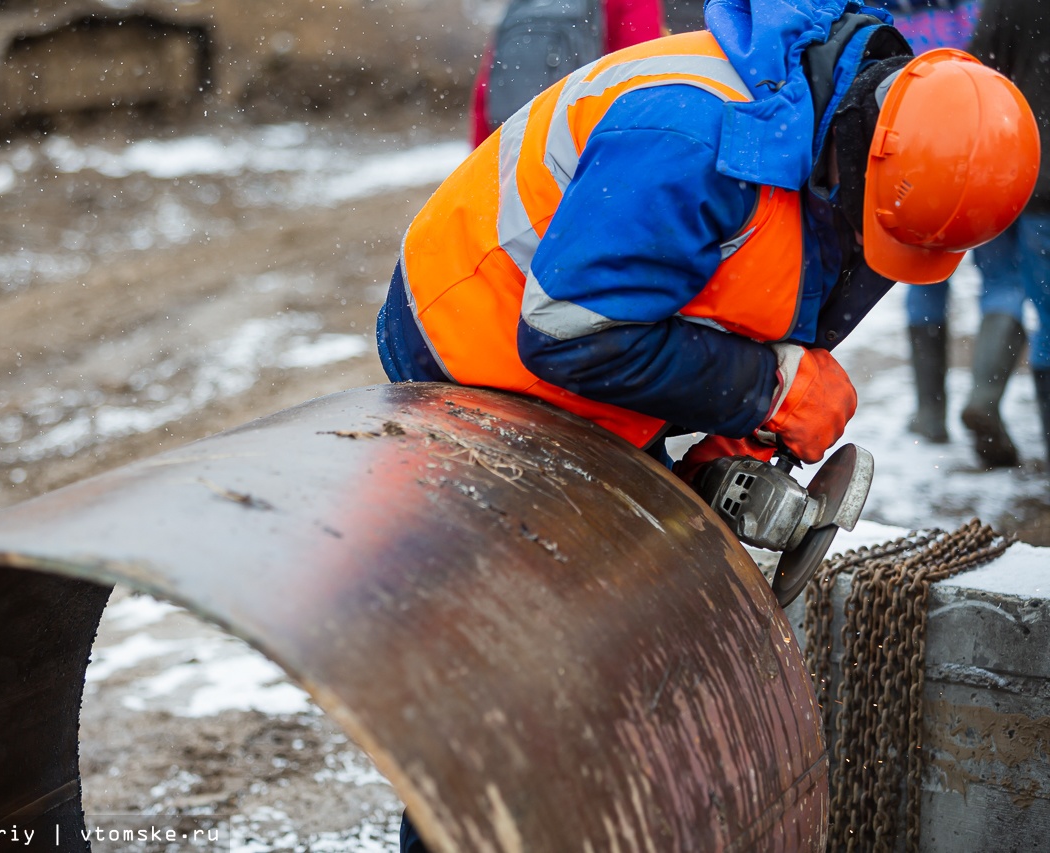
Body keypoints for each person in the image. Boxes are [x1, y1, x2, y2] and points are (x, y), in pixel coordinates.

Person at [375, 0, 1038, 842]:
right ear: (865, 152)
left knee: (621, 642)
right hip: (477, 349)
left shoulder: (878, 156)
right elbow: (568, 338)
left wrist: (737, 440)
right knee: (512, 669)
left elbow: (784, 300)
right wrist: (768, 388)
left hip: (603, 335)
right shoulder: (692, 136)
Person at [871, 0, 1030, 467]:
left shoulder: (893, 15)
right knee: (1002, 281)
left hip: (918, 164)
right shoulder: (982, 10)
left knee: (925, 282)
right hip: (986, 156)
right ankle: (983, 400)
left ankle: (930, 414)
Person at [970, 0, 1050, 473]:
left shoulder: (1005, 4)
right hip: (1048, 192)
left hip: (1001, 178)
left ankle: (983, 397)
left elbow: (977, 76)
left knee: (1000, 289)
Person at [469, 0, 667, 148]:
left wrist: (481, 157)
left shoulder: (524, 5)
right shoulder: (631, 3)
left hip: (514, 150)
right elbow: (642, 76)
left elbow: (486, 90)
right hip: (584, 154)